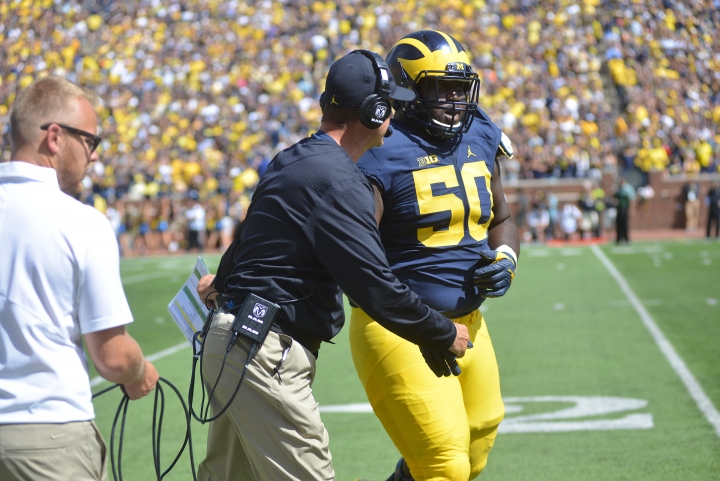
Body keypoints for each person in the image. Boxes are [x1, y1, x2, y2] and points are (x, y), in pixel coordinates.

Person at [194, 50, 472, 481]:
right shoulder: (341, 181)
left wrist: (224, 283)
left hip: (228, 341)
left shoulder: (293, 158)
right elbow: (374, 285)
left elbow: (248, 239)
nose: (395, 114)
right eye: (390, 104)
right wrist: (442, 332)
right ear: (373, 110)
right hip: (264, 351)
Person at [349, 30, 521, 481]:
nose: (455, 100)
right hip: (400, 328)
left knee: (477, 442)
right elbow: (360, 258)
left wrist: (505, 257)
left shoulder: (480, 131)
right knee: (445, 464)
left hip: (470, 322)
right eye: (441, 88)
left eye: (460, 89)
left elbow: (502, 217)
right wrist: (420, 324)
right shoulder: (381, 148)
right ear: (406, 91)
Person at [0, 76, 159, 481]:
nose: (94, 155)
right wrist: (140, 371)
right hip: (46, 432)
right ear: (55, 137)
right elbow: (114, 357)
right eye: (90, 141)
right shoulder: (81, 222)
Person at [613, 176, 636, 244]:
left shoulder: (628, 188)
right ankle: (619, 238)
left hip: (625, 208)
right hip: (619, 208)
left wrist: (631, 208)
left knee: (624, 223)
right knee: (618, 223)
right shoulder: (618, 188)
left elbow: (632, 199)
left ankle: (626, 238)